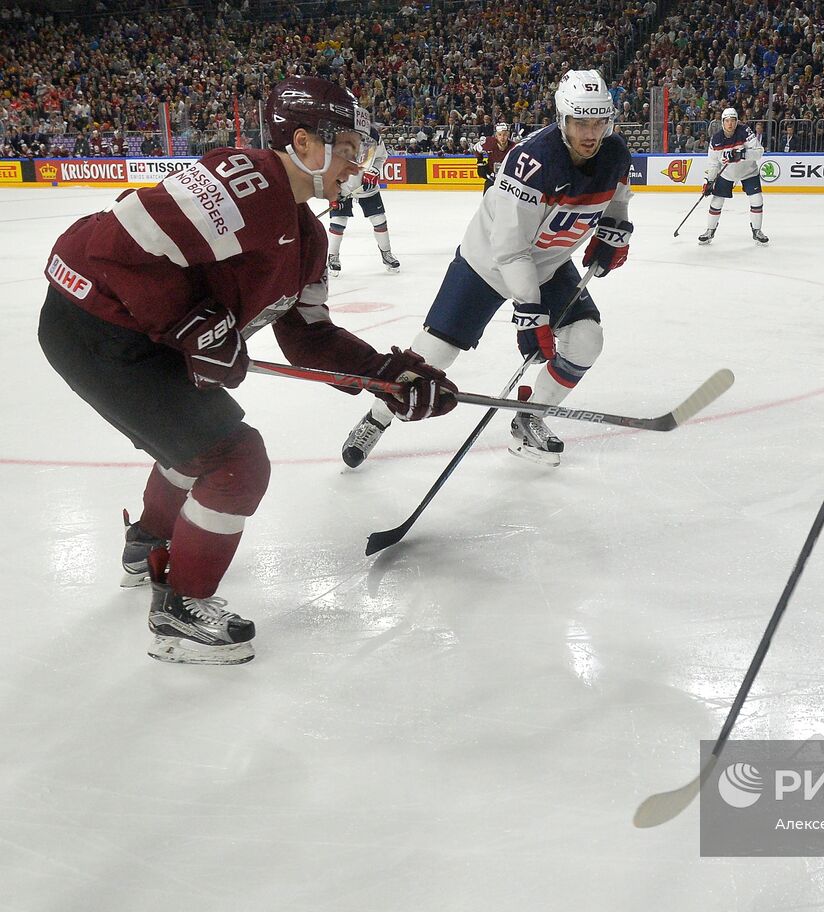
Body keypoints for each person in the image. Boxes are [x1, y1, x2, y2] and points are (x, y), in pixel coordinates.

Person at [37, 77, 458, 666]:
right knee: (235, 461)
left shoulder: (308, 237)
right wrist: (194, 323)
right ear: (305, 144)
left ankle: (149, 546)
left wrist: (390, 375)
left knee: (200, 446)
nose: (356, 163)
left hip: (134, 334)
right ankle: (181, 611)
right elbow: (118, 239)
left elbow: (308, 337)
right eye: (347, 147)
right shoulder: (247, 181)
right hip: (96, 325)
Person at [341, 69, 633, 469]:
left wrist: (616, 226)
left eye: (599, 121)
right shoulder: (532, 161)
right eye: (580, 121)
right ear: (562, 119)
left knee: (586, 340)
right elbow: (510, 251)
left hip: (548, 266)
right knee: (429, 359)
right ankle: (377, 418)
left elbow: (618, 192)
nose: (590, 132)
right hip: (486, 265)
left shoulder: (615, 152)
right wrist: (530, 314)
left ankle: (530, 417)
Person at [328, 124, 400, 276]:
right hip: (342, 185)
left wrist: (373, 171)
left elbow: (381, 157)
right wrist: (331, 191)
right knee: (338, 221)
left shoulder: (373, 136)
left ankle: (386, 254)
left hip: (367, 186)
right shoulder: (336, 136)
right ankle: (332, 256)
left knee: (379, 219)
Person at [698, 106, 768, 245]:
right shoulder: (716, 139)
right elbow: (713, 163)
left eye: (733, 120)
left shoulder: (745, 132)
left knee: (757, 199)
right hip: (727, 174)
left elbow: (759, 152)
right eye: (727, 120)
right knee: (716, 201)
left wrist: (742, 154)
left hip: (749, 172)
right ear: (722, 122)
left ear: (737, 122)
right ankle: (710, 230)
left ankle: (757, 230)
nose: (730, 124)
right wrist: (709, 181)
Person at [476, 121, 516, 192]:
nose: (502, 137)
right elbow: (476, 148)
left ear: (508, 135)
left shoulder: (513, 147)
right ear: (496, 135)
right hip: (492, 177)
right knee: (487, 199)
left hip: (507, 180)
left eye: (505, 134)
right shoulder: (489, 142)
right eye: (500, 135)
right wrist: (480, 163)